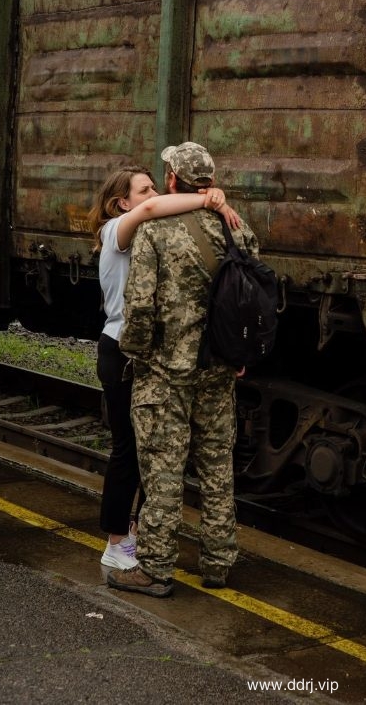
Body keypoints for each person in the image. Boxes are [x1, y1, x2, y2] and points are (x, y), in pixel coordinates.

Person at [106, 142, 259, 598]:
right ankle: (217, 561)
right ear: (208, 181)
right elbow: (247, 302)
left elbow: (139, 307)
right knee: (217, 465)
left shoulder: (156, 232)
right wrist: (237, 356)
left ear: (172, 180)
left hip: (167, 372)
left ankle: (154, 568)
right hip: (218, 367)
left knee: (163, 469)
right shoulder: (239, 230)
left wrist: (136, 354)